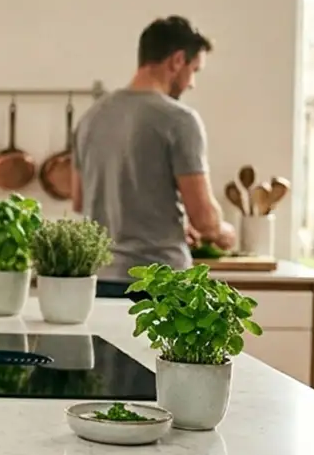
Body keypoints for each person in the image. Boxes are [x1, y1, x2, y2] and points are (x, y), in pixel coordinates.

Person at [71, 15, 236, 299]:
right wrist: (223, 232)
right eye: (194, 70)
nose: (192, 83)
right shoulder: (179, 119)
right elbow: (204, 219)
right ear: (177, 61)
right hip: (160, 281)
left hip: (99, 283)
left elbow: (79, 200)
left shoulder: (91, 117)